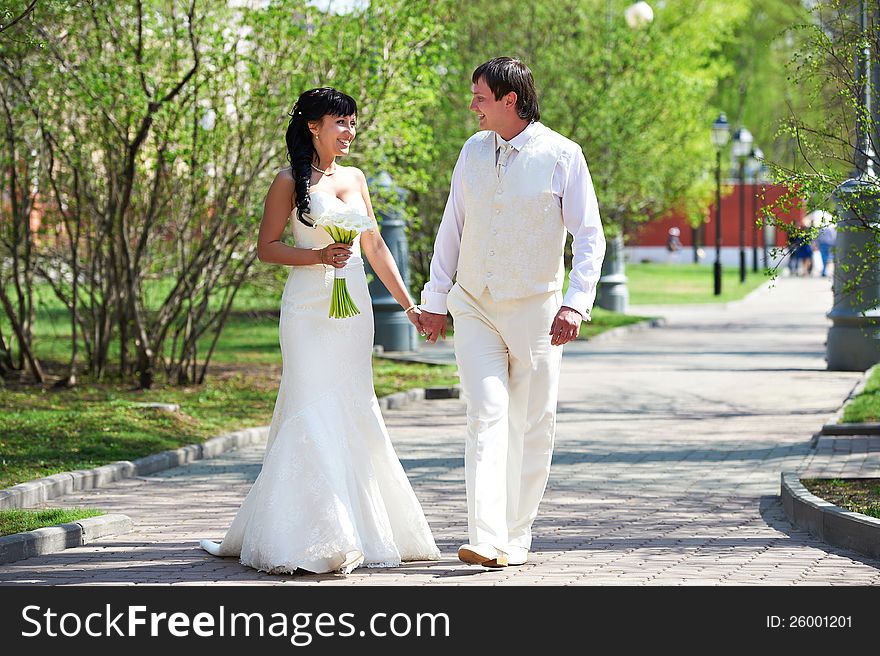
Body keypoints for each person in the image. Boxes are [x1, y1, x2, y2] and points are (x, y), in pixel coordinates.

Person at [200, 87, 440, 574]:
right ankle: (308, 536)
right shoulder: (288, 180)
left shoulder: (355, 177)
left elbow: (374, 248)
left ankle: (360, 528)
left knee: (353, 408)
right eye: (341, 122)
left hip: (351, 312)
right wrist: (315, 257)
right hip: (307, 310)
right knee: (309, 405)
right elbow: (267, 247)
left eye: (354, 122)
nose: (350, 131)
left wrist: (409, 305)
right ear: (314, 126)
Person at [418, 57, 605, 568]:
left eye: (480, 95)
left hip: (537, 312)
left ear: (510, 101)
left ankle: (516, 536)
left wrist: (576, 303)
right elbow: (451, 228)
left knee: (532, 424)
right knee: (486, 413)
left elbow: (589, 235)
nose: (472, 104)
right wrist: (435, 301)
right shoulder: (472, 151)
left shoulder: (562, 154)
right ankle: (484, 536)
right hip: (474, 304)